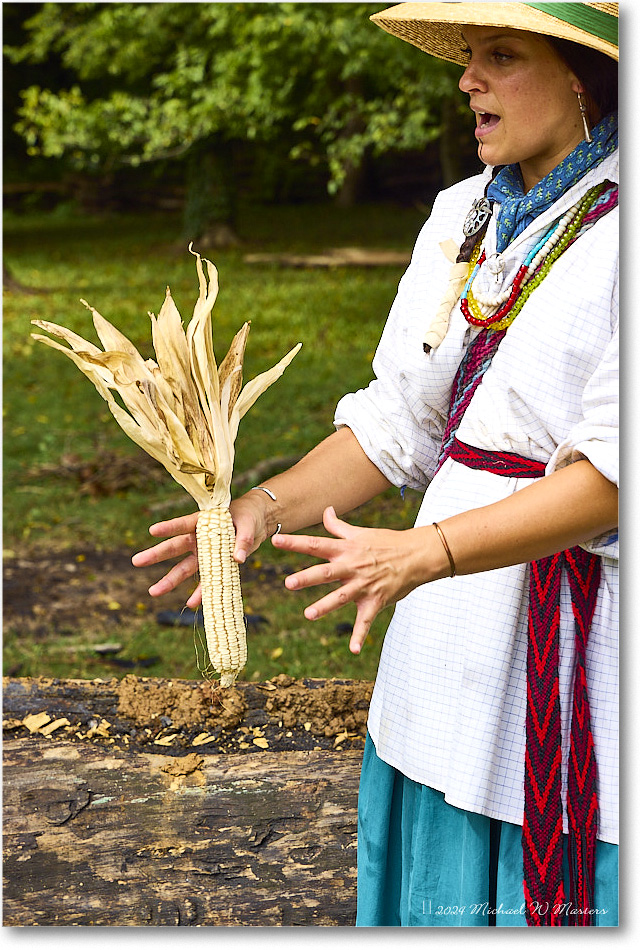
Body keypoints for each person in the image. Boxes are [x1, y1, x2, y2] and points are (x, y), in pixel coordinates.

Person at [132, 1, 619, 928]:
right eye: (469, 57)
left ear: (585, 77)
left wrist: (420, 553)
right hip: (443, 648)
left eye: (501, 56)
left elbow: (608, 481)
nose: (468, 79)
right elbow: (397, 424)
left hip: (573, 655)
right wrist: (262, 509)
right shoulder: (461, 216)